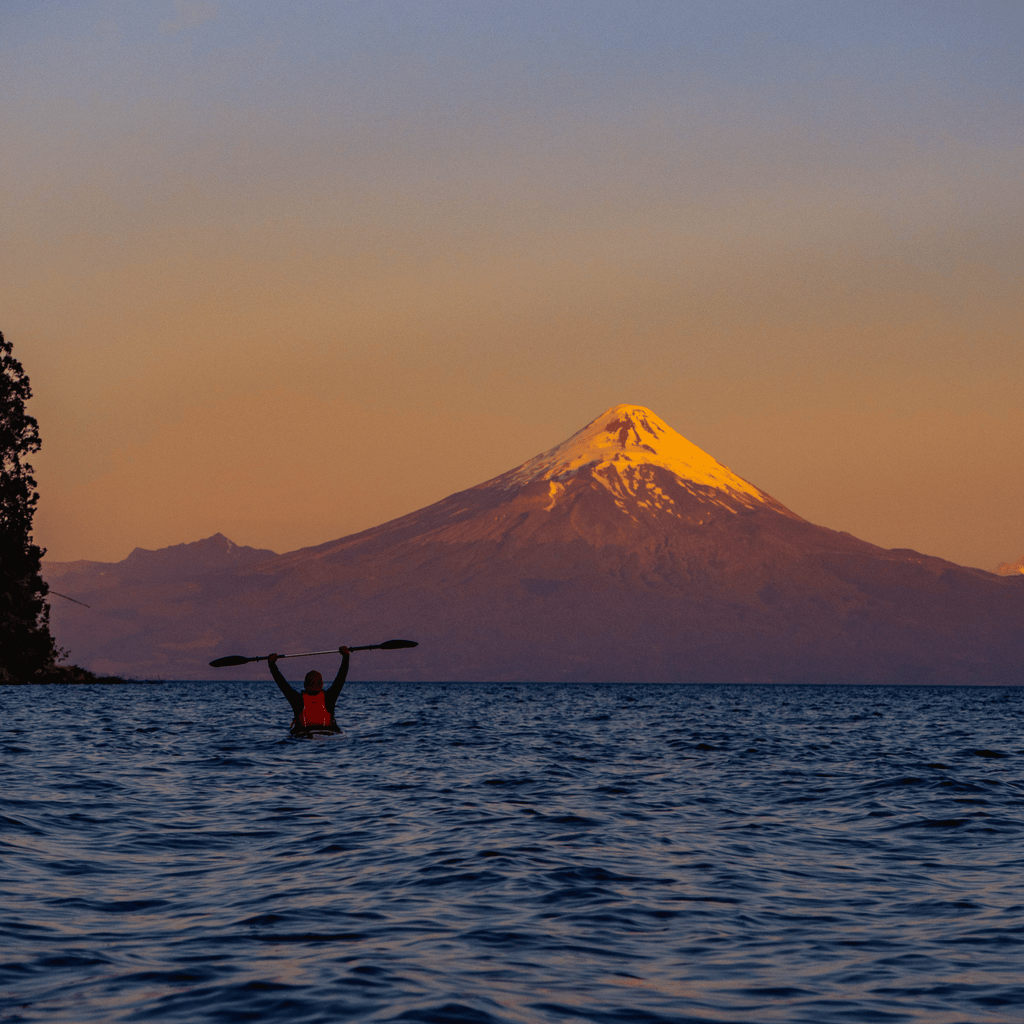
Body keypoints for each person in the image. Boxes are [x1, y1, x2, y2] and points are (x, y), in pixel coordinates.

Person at [268, 646, 350, 736]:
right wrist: (346, 657)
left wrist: (272, 664)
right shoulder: (329, 697)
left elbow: (281, 683)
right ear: (322, 684)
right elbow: (341, 677)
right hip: (328, 736)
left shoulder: (297, 700)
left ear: (304, 685)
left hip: (303, 737)